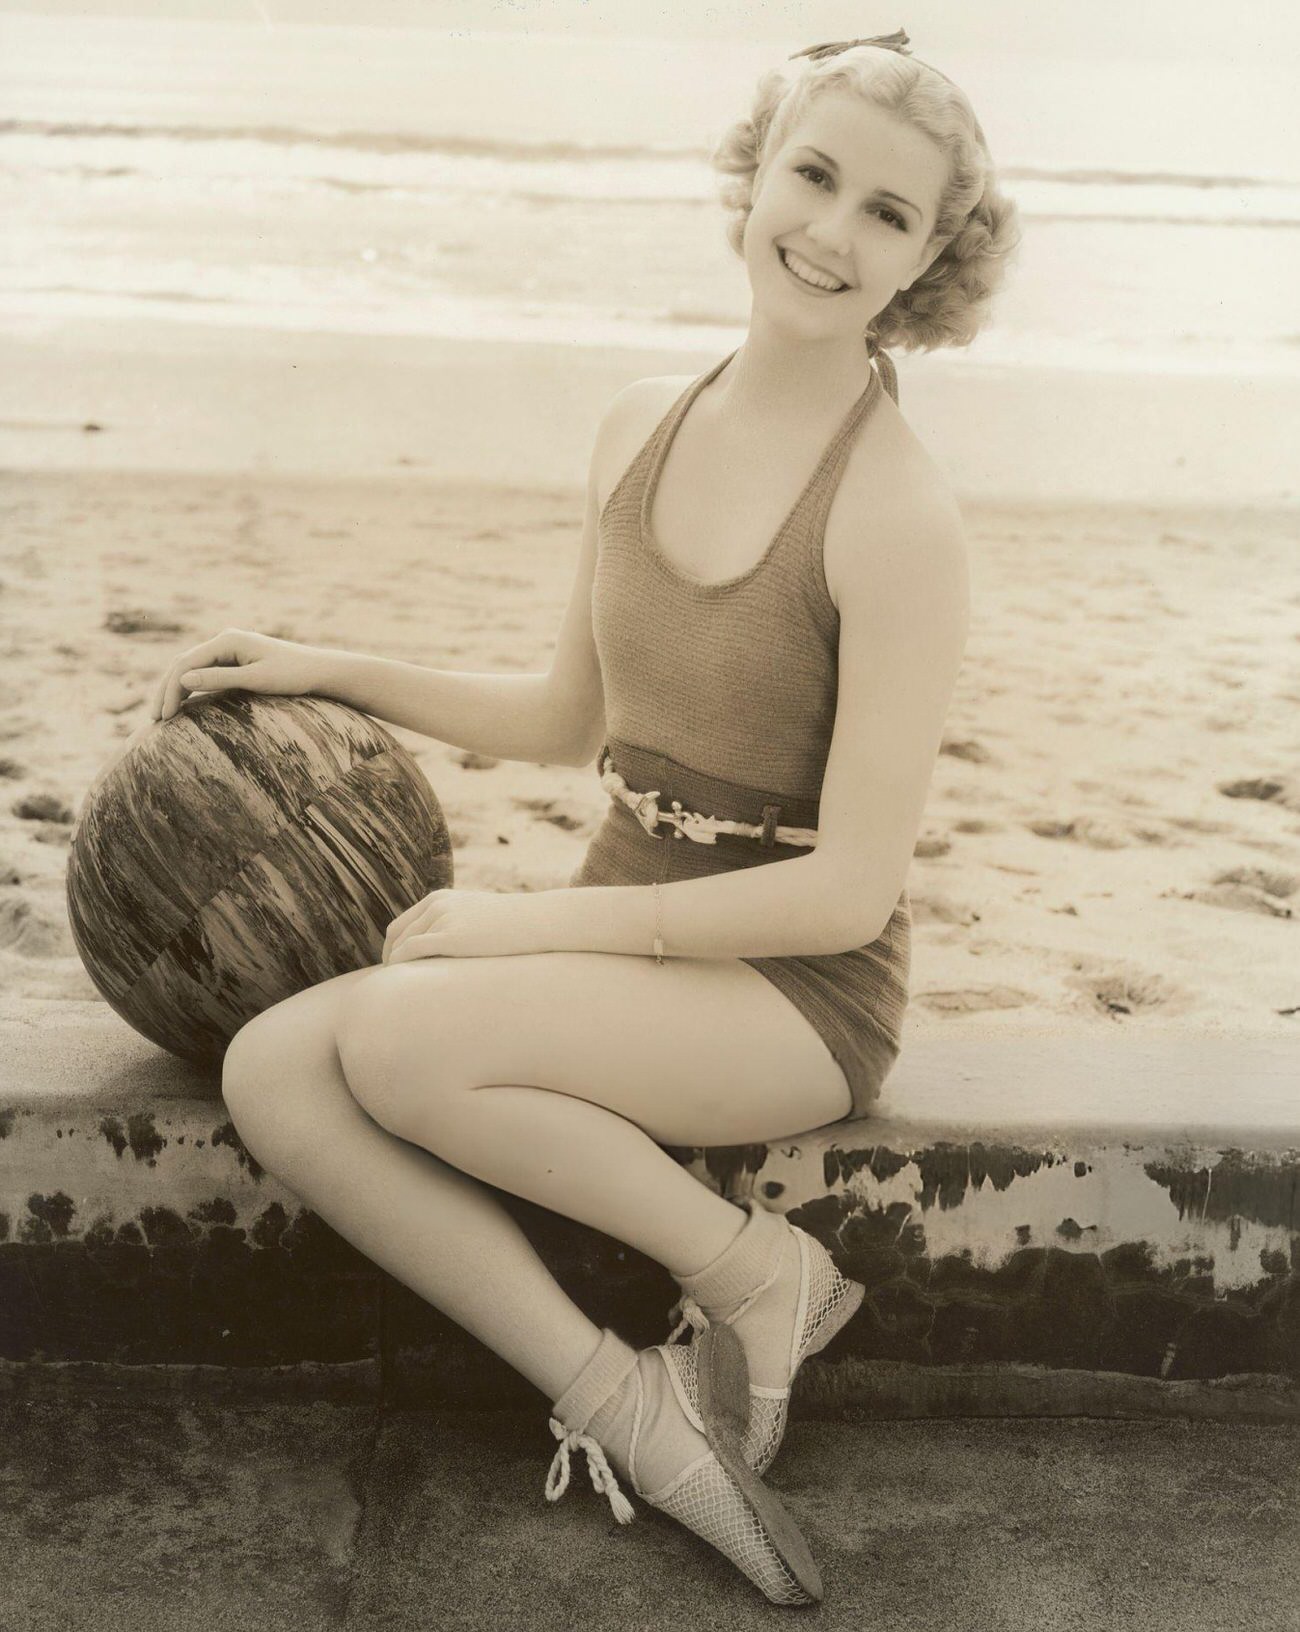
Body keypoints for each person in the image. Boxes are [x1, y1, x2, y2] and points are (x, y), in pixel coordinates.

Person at [149, 30, 1019, 1606]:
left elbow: (847, 894)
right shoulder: (639, 420)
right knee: (277, 1064)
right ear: (753, 175)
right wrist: (317, 663)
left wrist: (531, 922)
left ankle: (759, 1272)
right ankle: (626, 1406)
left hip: (791, 991)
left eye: (888, 214)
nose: (829, 232)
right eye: (811, 175)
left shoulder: (900, 516)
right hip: (639, 954)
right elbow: (566, 718)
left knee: (405, 1042)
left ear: (933, 261)